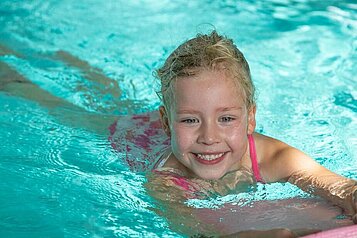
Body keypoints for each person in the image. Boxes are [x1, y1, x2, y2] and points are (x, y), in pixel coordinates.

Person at [141, 30, 357, 237]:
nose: (209, 138)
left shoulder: (274, 157)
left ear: (250, 118)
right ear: (167, 123)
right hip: (140, 134)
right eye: (190, 120)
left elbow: (336, 186)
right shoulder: (166, 180)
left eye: (226, 119)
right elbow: (194, 231)